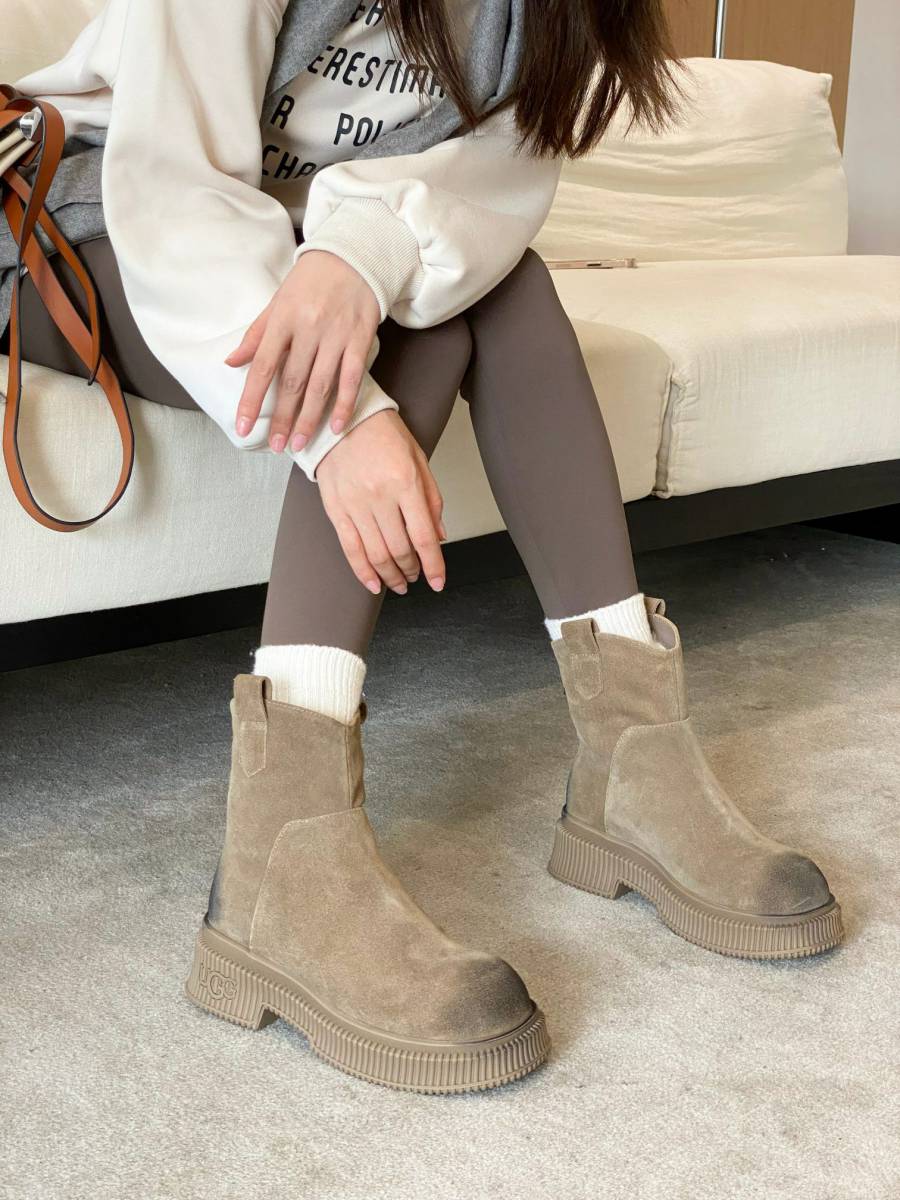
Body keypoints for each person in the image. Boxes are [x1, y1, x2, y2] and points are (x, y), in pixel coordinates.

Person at [4, 0, 843, 1094]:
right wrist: (345, 426)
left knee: (500, 281)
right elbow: (175, 193)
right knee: (424, 318)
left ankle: (636, 758)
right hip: (87, 225)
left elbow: (491, 191)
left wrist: (358, 258)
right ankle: (280, 862)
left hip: (289, 235)